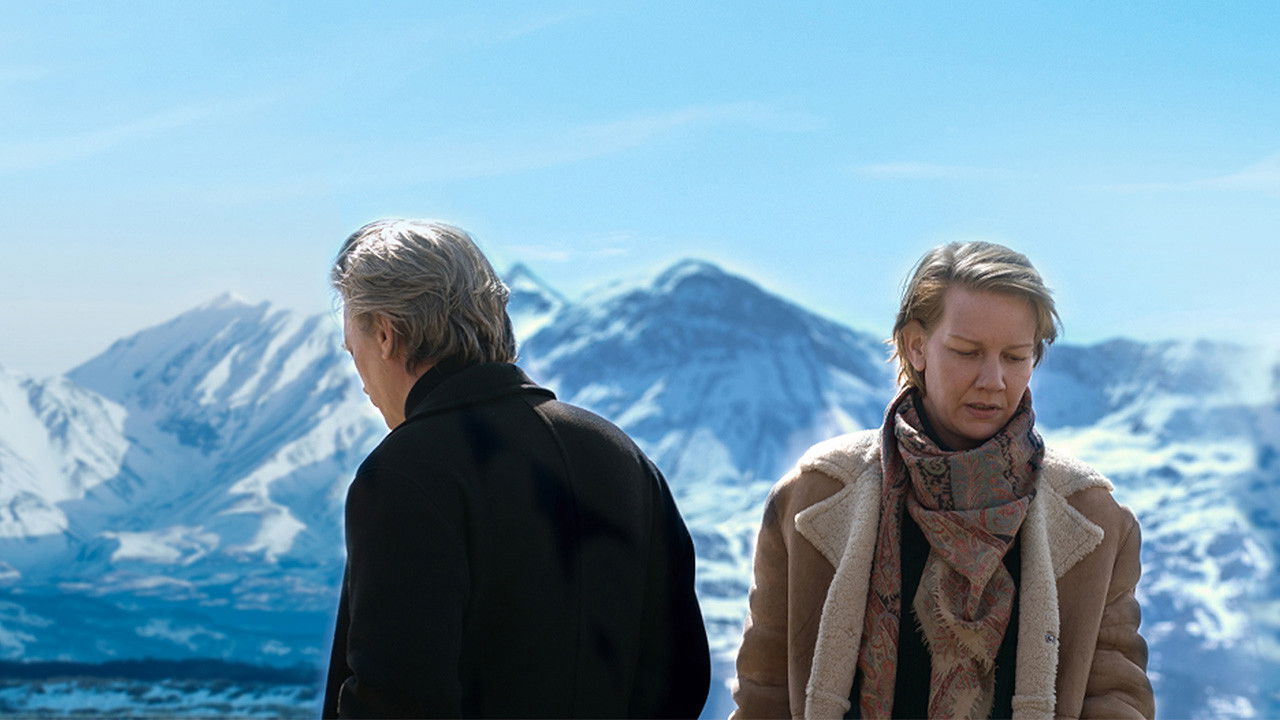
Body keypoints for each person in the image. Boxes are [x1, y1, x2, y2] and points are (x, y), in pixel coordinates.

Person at [731, 242, 1154, 719]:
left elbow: (1115, 698)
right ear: (916, 346)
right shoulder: (814, 495)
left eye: (1015, 357)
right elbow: (764, 695)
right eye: (967, 352)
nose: (993, 380)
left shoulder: (1092, 516)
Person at [322, 219, 710, 719]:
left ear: (384, 334)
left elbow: (396, 698)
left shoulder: (405, 473)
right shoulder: (620, 455)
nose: (361, 383)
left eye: (351, 350)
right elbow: (682, 675)